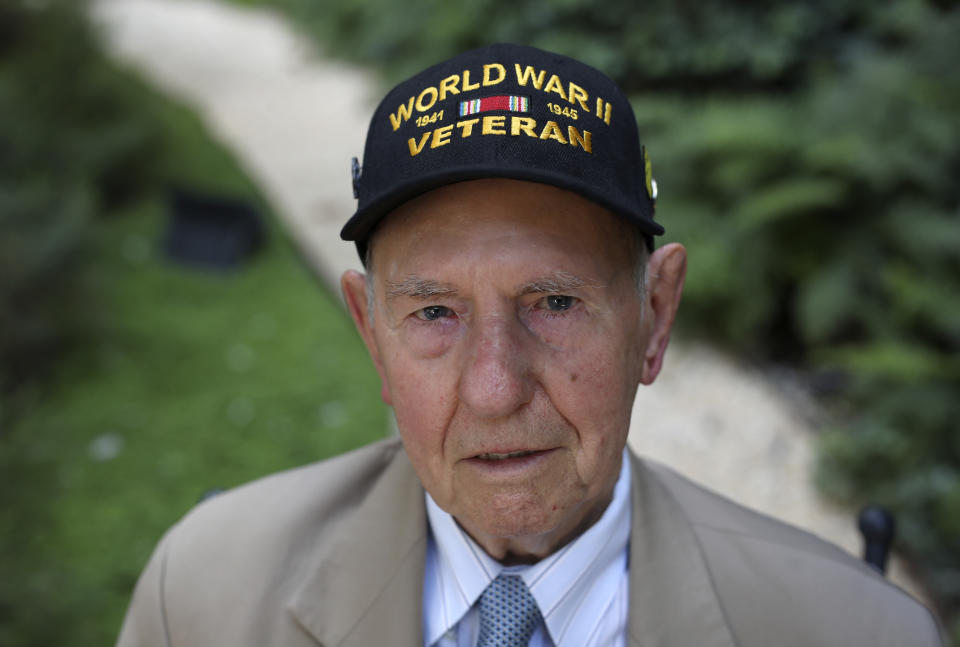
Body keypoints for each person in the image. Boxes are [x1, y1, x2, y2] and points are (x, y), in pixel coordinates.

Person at [116, 43, 943, 647]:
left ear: (655, 315)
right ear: (372, 335)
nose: (493, 388)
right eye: (434, 313)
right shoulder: (198, 598)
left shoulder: (861, 632)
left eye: (553, 301)